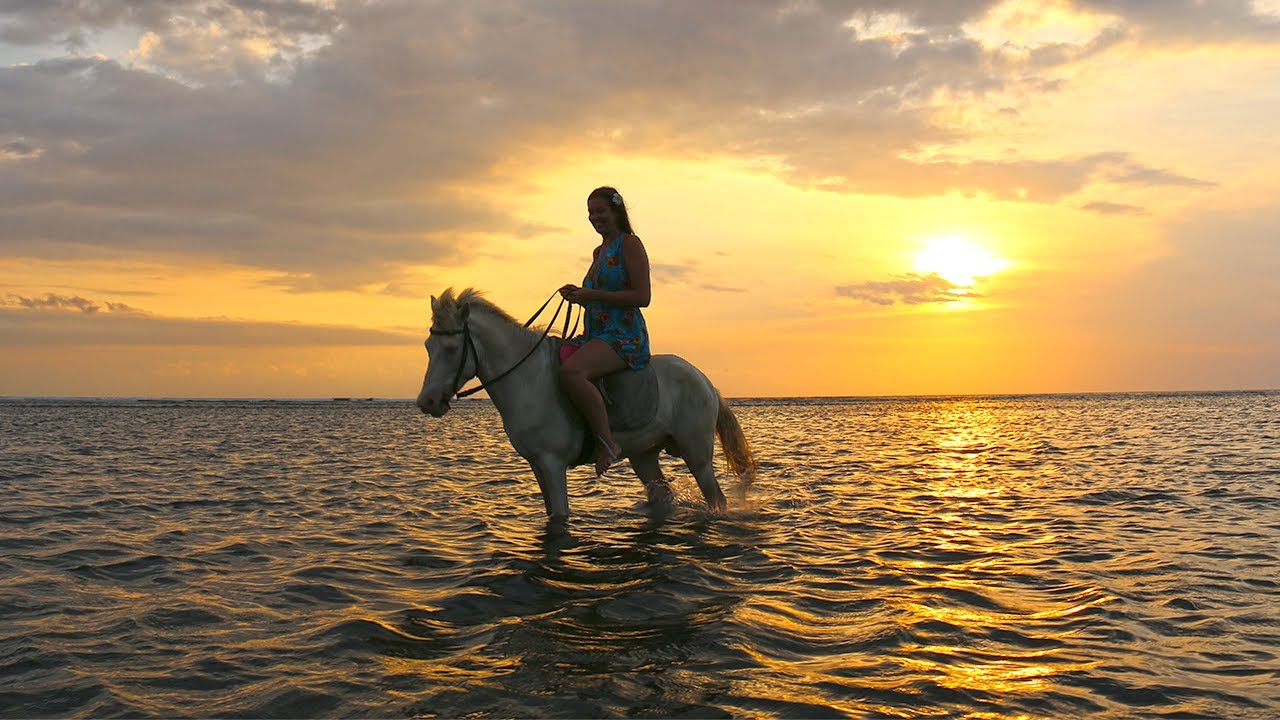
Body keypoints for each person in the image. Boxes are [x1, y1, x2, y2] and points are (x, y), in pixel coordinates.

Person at [558, 186, 652, 477]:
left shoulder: (630, 244)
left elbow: (642, 297)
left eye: (600, 211)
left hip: (623, 335)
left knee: (571, 372)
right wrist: (578, 294)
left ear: (616, 212)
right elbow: (598, 293)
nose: (595, 217)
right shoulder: (599, 251)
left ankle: (606, 442)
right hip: (596, 333)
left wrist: (593, 295)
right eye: (590, 213)